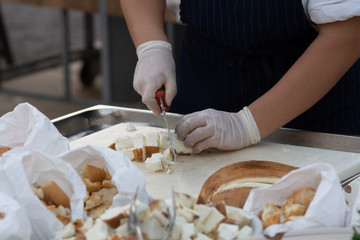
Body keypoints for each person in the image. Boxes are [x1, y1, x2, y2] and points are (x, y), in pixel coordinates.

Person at [120, 0, 360, 154]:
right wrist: (151, 46)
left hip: (312, 111)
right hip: (202, 82)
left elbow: (349, 31)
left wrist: (248, 125)